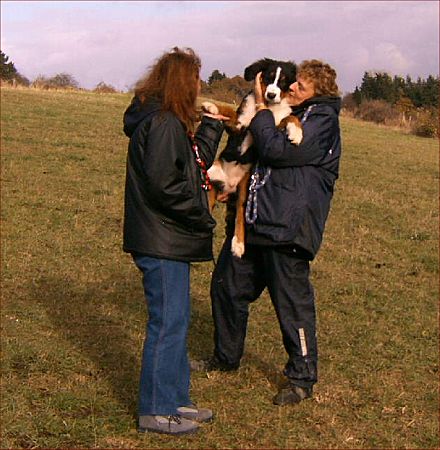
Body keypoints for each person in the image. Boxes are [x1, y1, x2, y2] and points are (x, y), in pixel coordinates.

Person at [196, 59, 342, 406]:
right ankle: (225, 358)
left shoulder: (322, 120)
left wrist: (261, 108)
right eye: (295, 82)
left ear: (318, 92)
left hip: (288, 228)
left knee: (292, 306)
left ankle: (301, 379)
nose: (292, 88)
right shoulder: (291, 110)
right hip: (256, 220)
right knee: (227, 289)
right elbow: (253, 148)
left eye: (301, 86)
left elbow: (277, 151)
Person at [123, 47, 228, 434]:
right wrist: (202, 217)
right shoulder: (164, 123)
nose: (201, 86)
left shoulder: (169, 122)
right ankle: (155, 410)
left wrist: (212, 126)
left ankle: (176, 401)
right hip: (161, 239)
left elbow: (192, 167)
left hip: (167, 237)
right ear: (184, 82)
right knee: (167, 323)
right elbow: (165, 186)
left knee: (177, 321)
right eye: (197, 78)